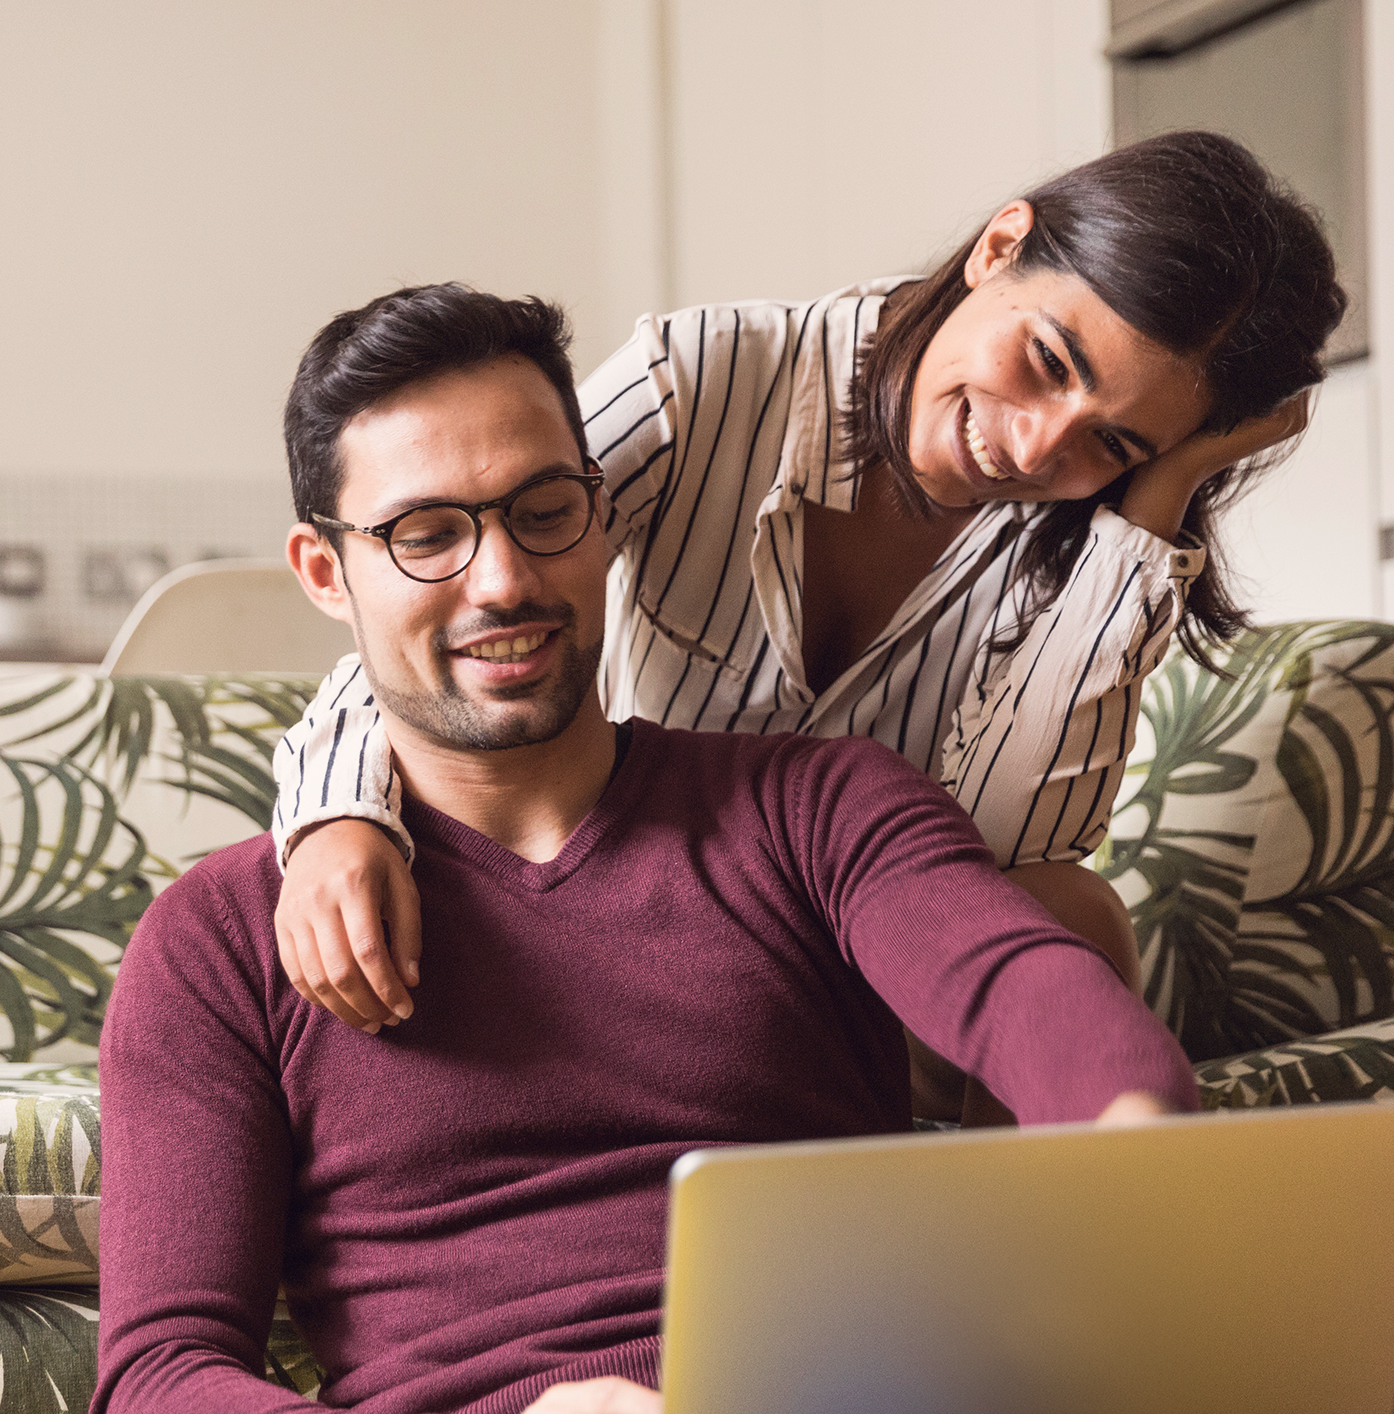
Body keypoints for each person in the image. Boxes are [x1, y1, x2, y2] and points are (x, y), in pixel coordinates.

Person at [94, 286, 1198, 1414]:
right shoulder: (219, 939)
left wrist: (1134, 1142)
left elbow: (1024, 992)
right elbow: (158, 1378)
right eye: (426, 535)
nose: (503, 580)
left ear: (602, 511)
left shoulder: (817, 811)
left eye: (543, 512)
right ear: (326, 572)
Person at [264, 131, 1345, 1122]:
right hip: (635, 912)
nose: (1028, 447)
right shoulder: (706, 382)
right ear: (998, 246)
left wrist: (1155, 496)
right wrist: (335, 821)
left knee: (1067, 911)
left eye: (1112, 441)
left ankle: (1015, 1282)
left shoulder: (1074, 529)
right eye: (1047, 362)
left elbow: (1009, 855)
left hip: (874, 952)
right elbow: (464, 578)